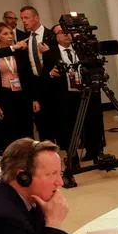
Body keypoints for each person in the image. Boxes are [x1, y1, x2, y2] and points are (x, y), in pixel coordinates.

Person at [45, 23, 104, 160]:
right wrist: (50, 74)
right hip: (65, 96)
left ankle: (95, 152)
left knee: (91, 122)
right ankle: (72, 156)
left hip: (85, 92)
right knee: (68, 127)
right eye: (61, 32)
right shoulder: (50, 53)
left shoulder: (81, 49)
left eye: (68, 32)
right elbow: (44, 76)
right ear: (56, 36)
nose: (66, 34)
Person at [0, 22, 36, 152]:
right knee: (9, 128)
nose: (10, 36)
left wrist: (34, 98)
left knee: (26, 127)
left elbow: (29, 76)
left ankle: (29, 155)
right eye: (5, 34)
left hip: (22, 94)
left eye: (11, 33)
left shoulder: (20, 53)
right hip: (4, 95)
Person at [19, 6, 56, 142]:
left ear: (36, 17)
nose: (24, 21)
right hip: (37, 87)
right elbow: (27, 70)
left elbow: (59, 59)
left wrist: (48, 52)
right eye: (22, 18)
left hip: (54, 85)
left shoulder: (51, 36)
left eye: (27, 18)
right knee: (42, 124)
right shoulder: (25, 39)